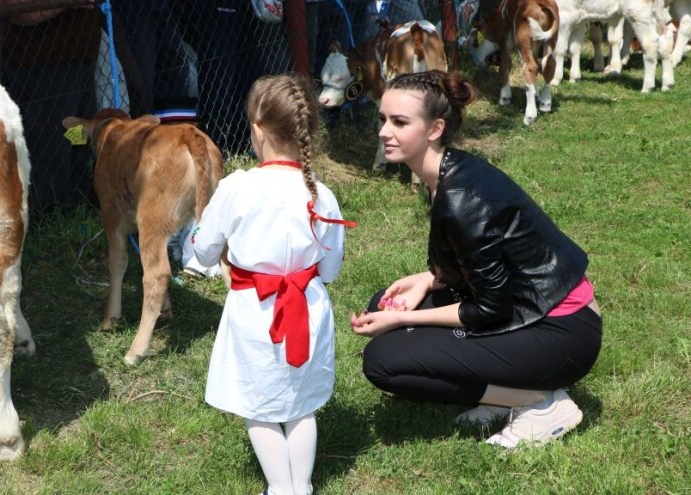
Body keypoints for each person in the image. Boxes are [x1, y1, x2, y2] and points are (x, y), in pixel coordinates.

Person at [351, 70, 602, 449]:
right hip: (531, 306)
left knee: (384, 359)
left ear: (435, 128)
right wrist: (428, 279)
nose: (384, 131)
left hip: (561, 331)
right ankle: (506, 392)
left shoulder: (462, 198)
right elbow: (489, 261)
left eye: (399, 122)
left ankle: (539, 401)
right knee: (382, 304)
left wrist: (403, 318)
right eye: (382, 119)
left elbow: (490, 309)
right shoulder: (450, 170)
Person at [191, 74, 353, 495]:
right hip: (308, 309)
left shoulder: (238, 188)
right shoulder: (323, 195)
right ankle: (301, 486)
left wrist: (199, 245)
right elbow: (331, 267)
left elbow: (204, 251)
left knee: (259, 408)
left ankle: (280, 488)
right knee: (301, 405)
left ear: (257, 131)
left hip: (253, 313)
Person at [0, 0, 100, 218]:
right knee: (51, 149)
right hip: (41, 65)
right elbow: (14, 9)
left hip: (79, 60)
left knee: (76, 142)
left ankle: (77, 217)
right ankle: (50, 224)